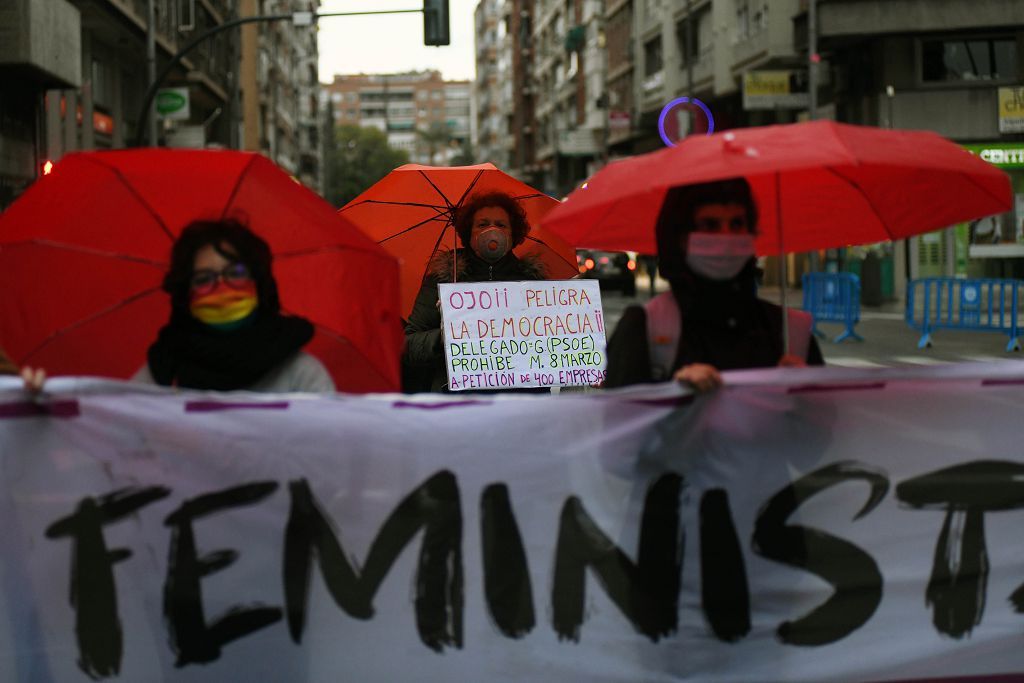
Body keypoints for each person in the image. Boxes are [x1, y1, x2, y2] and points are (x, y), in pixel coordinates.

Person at [604, 177, 823, 391]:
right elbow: (619, 423)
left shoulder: (791, 333)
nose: (726, 238)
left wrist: (808, 398)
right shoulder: (643, 330)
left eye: (737, 224)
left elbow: (826, 424)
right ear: (680, 238)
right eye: (710, 225)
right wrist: (672, 396)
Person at [134, 219, 335, 392]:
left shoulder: (302, 377)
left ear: (259, 283)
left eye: (235, 273)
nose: (221, 287)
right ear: (186, 294)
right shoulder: (161, 373)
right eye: (204, 279)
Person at [403, 191, 546, 392]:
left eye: (500, 225)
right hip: (459, 402)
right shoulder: (444, 279)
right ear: (469, 233)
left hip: (519, 399)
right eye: (483, 224)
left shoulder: (534, 285)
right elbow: (407, 346)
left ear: (513, 234)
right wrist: (442, 337)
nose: (492, 230)